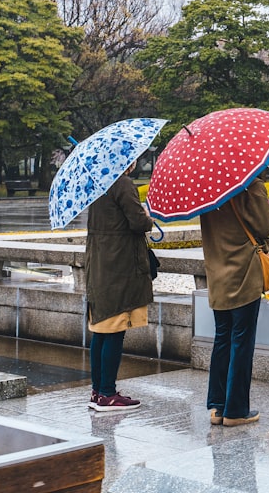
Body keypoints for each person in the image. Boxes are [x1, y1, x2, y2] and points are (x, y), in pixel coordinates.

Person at [200, 170, 269, 427]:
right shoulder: (251, 185)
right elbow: (265, 227)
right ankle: (236, 410)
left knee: (222, 338)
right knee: (241, 342)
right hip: (243, 274)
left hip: (218, 276)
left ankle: (217, 406)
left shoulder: (207, 186)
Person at [85, 161, 154, 411]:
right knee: (115, 330)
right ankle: (108, 393)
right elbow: (138, 223)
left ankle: (97, 390)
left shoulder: (97, 185)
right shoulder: (122, 184)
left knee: (101, 331)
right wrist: (147, 216)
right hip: (119, 269)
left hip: (100, 267)